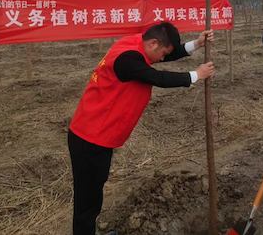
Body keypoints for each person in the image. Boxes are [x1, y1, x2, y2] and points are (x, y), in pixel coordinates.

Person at [68, 23, 214, 235]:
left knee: (93, 194)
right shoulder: (126, 59)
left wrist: (196, 44)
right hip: (90, 138)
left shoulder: (136, 44)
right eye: (163, 53)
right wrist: (195, 75)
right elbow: (157, 77)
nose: (163, 59)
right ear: (153, 43)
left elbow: (162, 57)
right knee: (87, 201)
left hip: (97, 135)